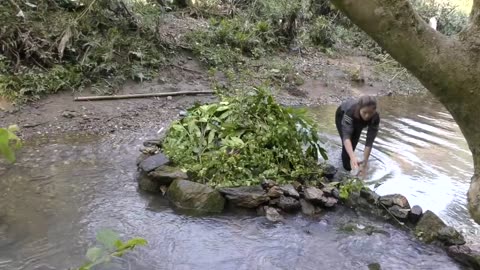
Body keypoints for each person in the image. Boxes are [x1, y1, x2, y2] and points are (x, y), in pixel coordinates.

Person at [335, 96, 380, 178]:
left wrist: (365, 162)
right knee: (348, 153)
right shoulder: (350, 112)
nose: (367, 116)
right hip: (341, 114)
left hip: (358, 122)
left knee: (354, 144)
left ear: (374, 111)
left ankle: (353, 170)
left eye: (370, 113)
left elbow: (369, 141)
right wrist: (352, 158)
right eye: (365, 112)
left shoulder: (375, 117)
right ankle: (343, 174)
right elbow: (346, 137)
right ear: (360, 109)